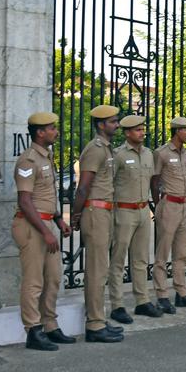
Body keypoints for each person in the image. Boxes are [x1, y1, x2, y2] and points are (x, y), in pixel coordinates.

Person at [13, 112, 74, 351]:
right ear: (40, 132)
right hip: (32, 226)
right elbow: (25, 201)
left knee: (53, 278)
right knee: (34, 281)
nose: (55, 132)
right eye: (51, 128)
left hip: (46, 224)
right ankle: (33, 330)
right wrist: (45, 231)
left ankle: (50, 324)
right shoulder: (28, 160)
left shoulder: (47, 157)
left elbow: (47, 195)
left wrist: (58, 220)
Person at [72, 104, 124, 343]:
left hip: (105, 211)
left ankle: (99, 318)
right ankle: (94, 324)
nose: (116, 125)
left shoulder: (106, 148)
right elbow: (83, 186)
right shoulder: (95, 149)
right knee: (96, 270)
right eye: (113, 121)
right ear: (101, 124)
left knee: (101, 268)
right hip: (95, 211)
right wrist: (75, 215)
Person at [108, 115, 160, 324]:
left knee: (140, 259)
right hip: (123, 211)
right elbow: (108, 184)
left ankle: (142, 300)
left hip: (142, 210)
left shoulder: (148, 154)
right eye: (137, 130)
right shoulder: (118, 155)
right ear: (127, 133)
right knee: (118, 260)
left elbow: (153, 181)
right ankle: (117, 305)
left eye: (142, 129)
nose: (142, 132)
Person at [151, 117, 186, 313]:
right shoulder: (162, 153)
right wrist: (158, 205)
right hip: (169, 204)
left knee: (182, 252)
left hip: (183, 206)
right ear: (177, 132)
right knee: (162, 252)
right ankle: (162, 294)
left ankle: (182, 292)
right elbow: (154, 180)